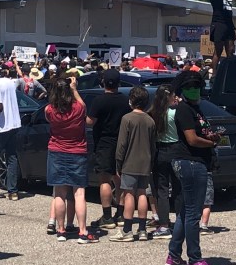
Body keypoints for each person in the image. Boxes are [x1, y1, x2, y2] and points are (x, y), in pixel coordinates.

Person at [166, 71, 220, 265]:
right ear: (182, 90)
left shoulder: (196, 108)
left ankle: (174, 254)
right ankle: (195, 258)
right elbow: (192, 139)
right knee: (193, 214)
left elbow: (200, 133)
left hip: (195, 162)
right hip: (190, 162)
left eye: (197, 86)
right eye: (190, 87)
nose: (195, 90)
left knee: (185, 212)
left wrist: (210, 136)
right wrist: (211, 142)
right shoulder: (183, 109)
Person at [45, 76, 97, 244]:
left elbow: (48, 118)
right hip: (77, 151)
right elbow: (83, 106)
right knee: (79, 193)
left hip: (56, 151)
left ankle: (60, 230)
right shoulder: (78, 108)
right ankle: (82, 231)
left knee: (59, 193)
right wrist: (74, 89)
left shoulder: (49, 110)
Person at [85, 69, 130, 229]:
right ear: (119, 83)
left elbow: (90, 122)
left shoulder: (99, 101)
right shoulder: (126, 101)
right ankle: (121, 214)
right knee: (120, 179)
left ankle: (107, 216)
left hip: (104, 142)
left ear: (103, 82)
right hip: (122, 142)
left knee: (104, 179)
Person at [111, 86, 157, 242]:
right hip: (146, 161)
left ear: (131, 101)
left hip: (129, 161)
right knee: (142, 193)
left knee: (129, 194)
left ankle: (127, 230)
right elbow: (153, 145)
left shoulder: (127, 119)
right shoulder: (150, 120)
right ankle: (143, 229)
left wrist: (118, 163)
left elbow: (121, 144)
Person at [149, 86, 180, 239]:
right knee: (178, 187)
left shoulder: (153, 114)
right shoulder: (175, 113)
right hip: (176, 149)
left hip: (160, 150)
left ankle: (164, 224)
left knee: (162, 189)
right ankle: (181, 220)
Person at [0, 63, 22, 200]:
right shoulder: (9, 82)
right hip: (15, 123)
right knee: (11, 157)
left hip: (2, 126)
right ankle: (13, 191)